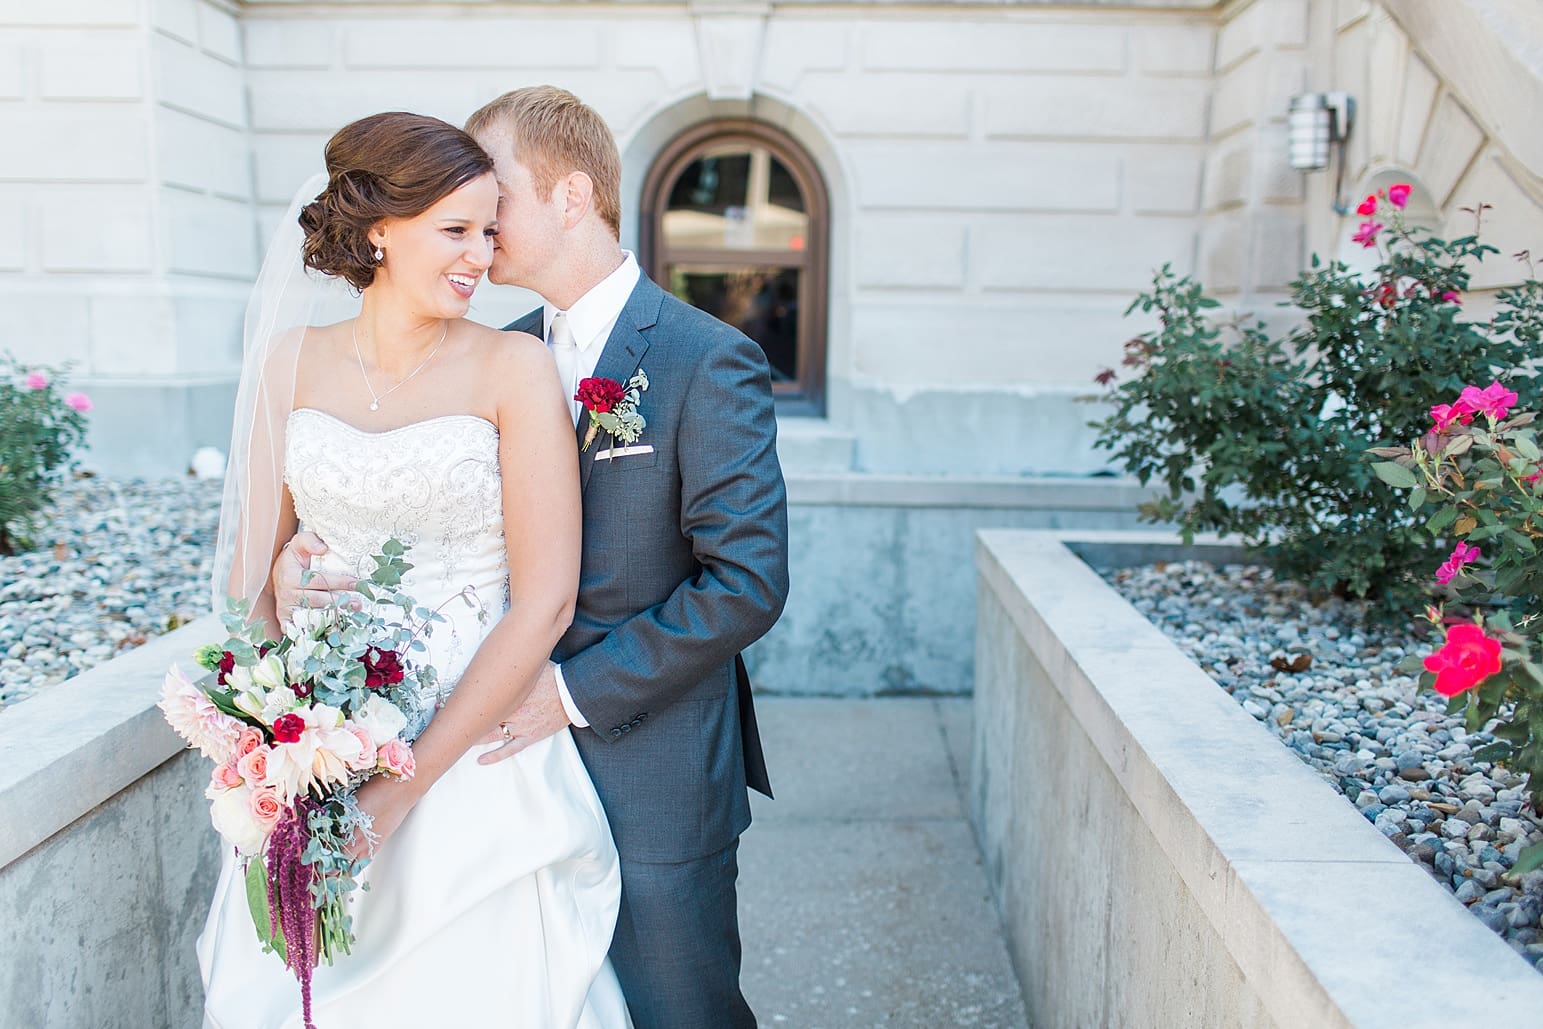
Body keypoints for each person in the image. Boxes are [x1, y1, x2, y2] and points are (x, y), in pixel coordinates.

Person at [273, 87, 791, 1029]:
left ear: (569, 195)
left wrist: (569, 690)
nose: (480, 223)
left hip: (648, 760)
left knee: (678, 1010)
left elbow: (745, 583)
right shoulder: (492, 355)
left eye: (496, 196)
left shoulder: (702, 356)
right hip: (475, 756)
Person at [197, 111, 632, 1028]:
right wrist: (284, 742)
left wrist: (403, 787)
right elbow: (247, 588)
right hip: (318, 745)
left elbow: (546, 598)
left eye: (489, 229)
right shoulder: (289, 363)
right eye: (456, 230)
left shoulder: (515, 367)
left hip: (476, 742)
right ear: (379, 229)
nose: (481, 254)